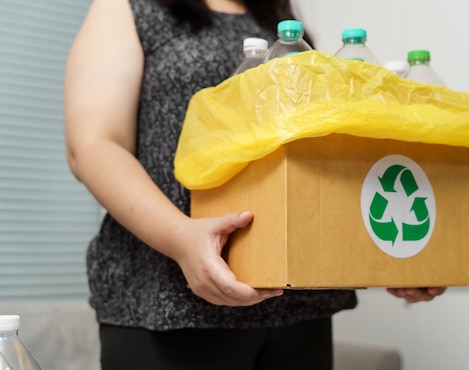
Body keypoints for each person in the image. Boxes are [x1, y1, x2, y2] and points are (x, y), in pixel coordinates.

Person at [63, 0, 446, 369]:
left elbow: (319, 157)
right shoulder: (133, 6)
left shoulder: (277, 18)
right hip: (165, 302)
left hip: (297, 305)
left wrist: (393, 247)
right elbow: (94, 144)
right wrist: (180, 236)